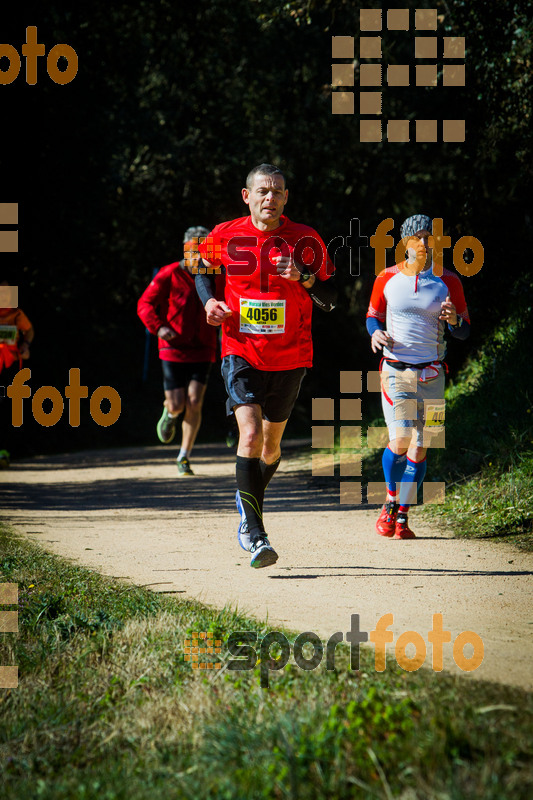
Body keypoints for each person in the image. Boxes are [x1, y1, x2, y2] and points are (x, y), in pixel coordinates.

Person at [195, 163, 337, 568]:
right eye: (262, 191)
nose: (269, 198)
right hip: (240, 351)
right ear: (247, 196)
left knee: (271, 448)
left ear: (286, 197)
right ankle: (256, 535)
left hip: (291, 356)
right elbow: (200, 271)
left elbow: (331, 300)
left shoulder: (306, 239)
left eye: (276, 191)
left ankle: (247, 500)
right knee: (251, 434)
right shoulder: (223, 233)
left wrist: (304, 278)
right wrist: (209, 302)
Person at [366, 214, 470, 539]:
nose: (424, 244)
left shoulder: (449, 280)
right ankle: (390, 502)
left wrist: (454, 321)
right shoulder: (386, 277)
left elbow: (465, 330)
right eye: (418, 237)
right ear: (405, 242)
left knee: (422, 447)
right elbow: (372, 315)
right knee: (401, 438)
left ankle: (403, 517)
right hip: (396, 370)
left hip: (433, 372)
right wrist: (375, 333)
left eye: (429, 237)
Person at [137, 227, 218, 476]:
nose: (197, 254)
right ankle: (170, 412)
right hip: (172, 347)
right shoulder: (169, 273)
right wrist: (159, 328)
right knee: (177, 403)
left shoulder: (215, 275)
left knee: (194, 401)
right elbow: (144, 304)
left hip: (203, 347)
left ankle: (184, 455)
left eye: (203, 249)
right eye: (193, 249)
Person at [0, 276, 34, 467]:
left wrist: (25, 345)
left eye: (7, 292)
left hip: (11, 366)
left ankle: (4, 452)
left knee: (8, 408)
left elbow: (29, 330)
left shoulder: (16, 313)